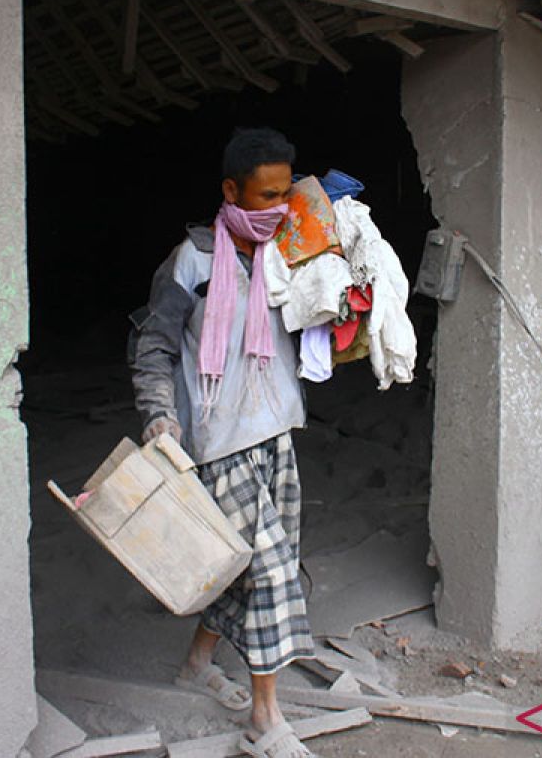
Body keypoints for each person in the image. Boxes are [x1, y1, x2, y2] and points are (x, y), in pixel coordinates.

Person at [130, 127, 317, 758]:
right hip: (219, 441)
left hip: (277, 431)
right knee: (266, 575)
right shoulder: (191, 261)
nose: (278, 208)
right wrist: (160, 416)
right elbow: (153, 346)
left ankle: (196, 664)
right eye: (264, 196)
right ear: (230, 191)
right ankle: (267, 719)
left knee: (248, 564)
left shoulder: (290, 251)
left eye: (285, 194)